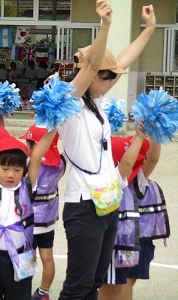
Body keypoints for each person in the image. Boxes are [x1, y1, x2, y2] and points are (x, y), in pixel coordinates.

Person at [35, 2, 156, 299]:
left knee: (95, 282)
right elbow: (90, 66)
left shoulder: (97, 101)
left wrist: (150, 28)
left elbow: (122, 60)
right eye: (109, 76)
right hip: (84, 206)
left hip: (108, 201)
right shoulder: (70, 100)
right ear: (94, 77)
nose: (115, 79)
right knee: (78, 286)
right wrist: (105, 26)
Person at [0, 102, 56, 300]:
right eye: (5, 168)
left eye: (16, 170)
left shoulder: (27, 185)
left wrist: (55, 124)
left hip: (22, 257)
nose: (10, 174)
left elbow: (37, 155)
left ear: (23, 171)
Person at [98, 135, 163, 300]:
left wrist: (158, 134)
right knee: (115, 285)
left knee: (125, 282)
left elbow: (153, 159)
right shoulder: (108, 180)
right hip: (116, 240)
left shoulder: (137, 180)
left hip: (134, 239)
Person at [19, 125, 66, 300]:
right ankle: (44, 292)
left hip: (30, 224)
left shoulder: (30, 164)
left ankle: (23, 291)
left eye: (28, 142)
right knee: (47, 257)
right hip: (49, 222)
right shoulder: (60, 164)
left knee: (27, 259)